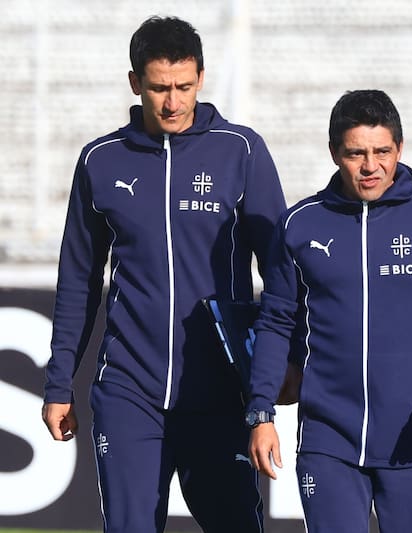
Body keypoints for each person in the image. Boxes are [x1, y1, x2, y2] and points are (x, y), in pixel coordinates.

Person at [41, 16, 286, 533]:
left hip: (220, 394)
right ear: (136, 83)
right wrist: (59, 381)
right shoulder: (100, 161)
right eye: (159, 88)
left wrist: (276, 372)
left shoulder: (241, 151)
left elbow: (283, 274)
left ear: (200, 77)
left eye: (184, 86)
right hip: (129, 391)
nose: (172, 101)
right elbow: (79, 279)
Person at [246, 89, 412, 533]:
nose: (370, 166)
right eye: (356, 153)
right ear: (335, 153)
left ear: (400, 148)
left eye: (381, 152)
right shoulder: (299, 225)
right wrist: (261, 413)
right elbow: (275, 324)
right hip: (327, 441)